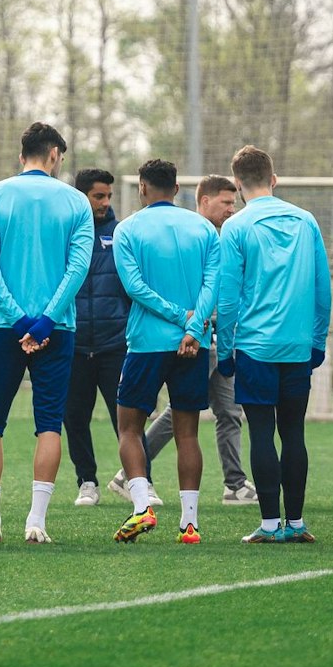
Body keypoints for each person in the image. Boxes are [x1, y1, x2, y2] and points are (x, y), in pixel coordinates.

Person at [0, 122, 93, 544]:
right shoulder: (76, 201)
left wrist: (19, 320)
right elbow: (78, 268)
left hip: (4, 327)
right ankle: (36, 523)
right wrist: (45, 320)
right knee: (49, 426)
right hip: (58, 330)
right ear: (55, 154)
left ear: (23, 154)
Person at [215, 146, 330, 543]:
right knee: (294, 431)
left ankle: (268, 526)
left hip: (254, 347)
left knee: (262, 433)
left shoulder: (236, 226)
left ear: (237, 184)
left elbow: (227, 298)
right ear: (274, 178)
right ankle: (296, 523)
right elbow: (321, 287)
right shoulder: (306, 221)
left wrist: (225, 350)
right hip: (297, 346)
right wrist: (318, 339)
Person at [109, 159, 217, 545]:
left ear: (142, 187)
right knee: (188, 433)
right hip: (194, 343)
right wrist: (192, 326)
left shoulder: (128, 229)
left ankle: (141, 508)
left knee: (129, 426)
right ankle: (189, 524)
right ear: (176, 188)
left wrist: (176, 316)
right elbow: (211, 285)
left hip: (147, 343)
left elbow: (134, 287)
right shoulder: (203, 228)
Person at [134, 174, 255, 505]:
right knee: (180, 413)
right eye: (226, 203)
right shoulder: (192, 234)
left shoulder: (226, 236)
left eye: (234, 202)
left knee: (230, 411)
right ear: (204, 201)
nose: (232, 209)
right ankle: (132, 470)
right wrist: (196, 323)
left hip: (220, 337)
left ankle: (235, 483)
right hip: (194, 336)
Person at [65, 168, 125, 509]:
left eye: (108, 196)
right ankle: (87, 481)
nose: (104, 203)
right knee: (75, 417)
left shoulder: (122, 235)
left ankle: (139, 480)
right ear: (81, 196)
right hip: (73, 345)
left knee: (126, 417)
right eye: (97, 196)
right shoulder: (66, 234)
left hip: (115, 343)